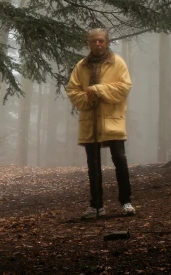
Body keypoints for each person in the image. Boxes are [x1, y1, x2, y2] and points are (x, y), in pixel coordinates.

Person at [66, 28, 135, 219]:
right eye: (94, 41)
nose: (97, 44)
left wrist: (97, 90)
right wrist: (89, 99)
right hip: (90, 123)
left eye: (101, 41)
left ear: (107, 42)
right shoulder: (81, 66)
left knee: (120, 161)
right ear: (89, 43)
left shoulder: (117, 63)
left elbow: (124, 88)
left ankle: (126, 201)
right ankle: (96, 206)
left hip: (113, 121)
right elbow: (73, 91)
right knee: (93, 165)